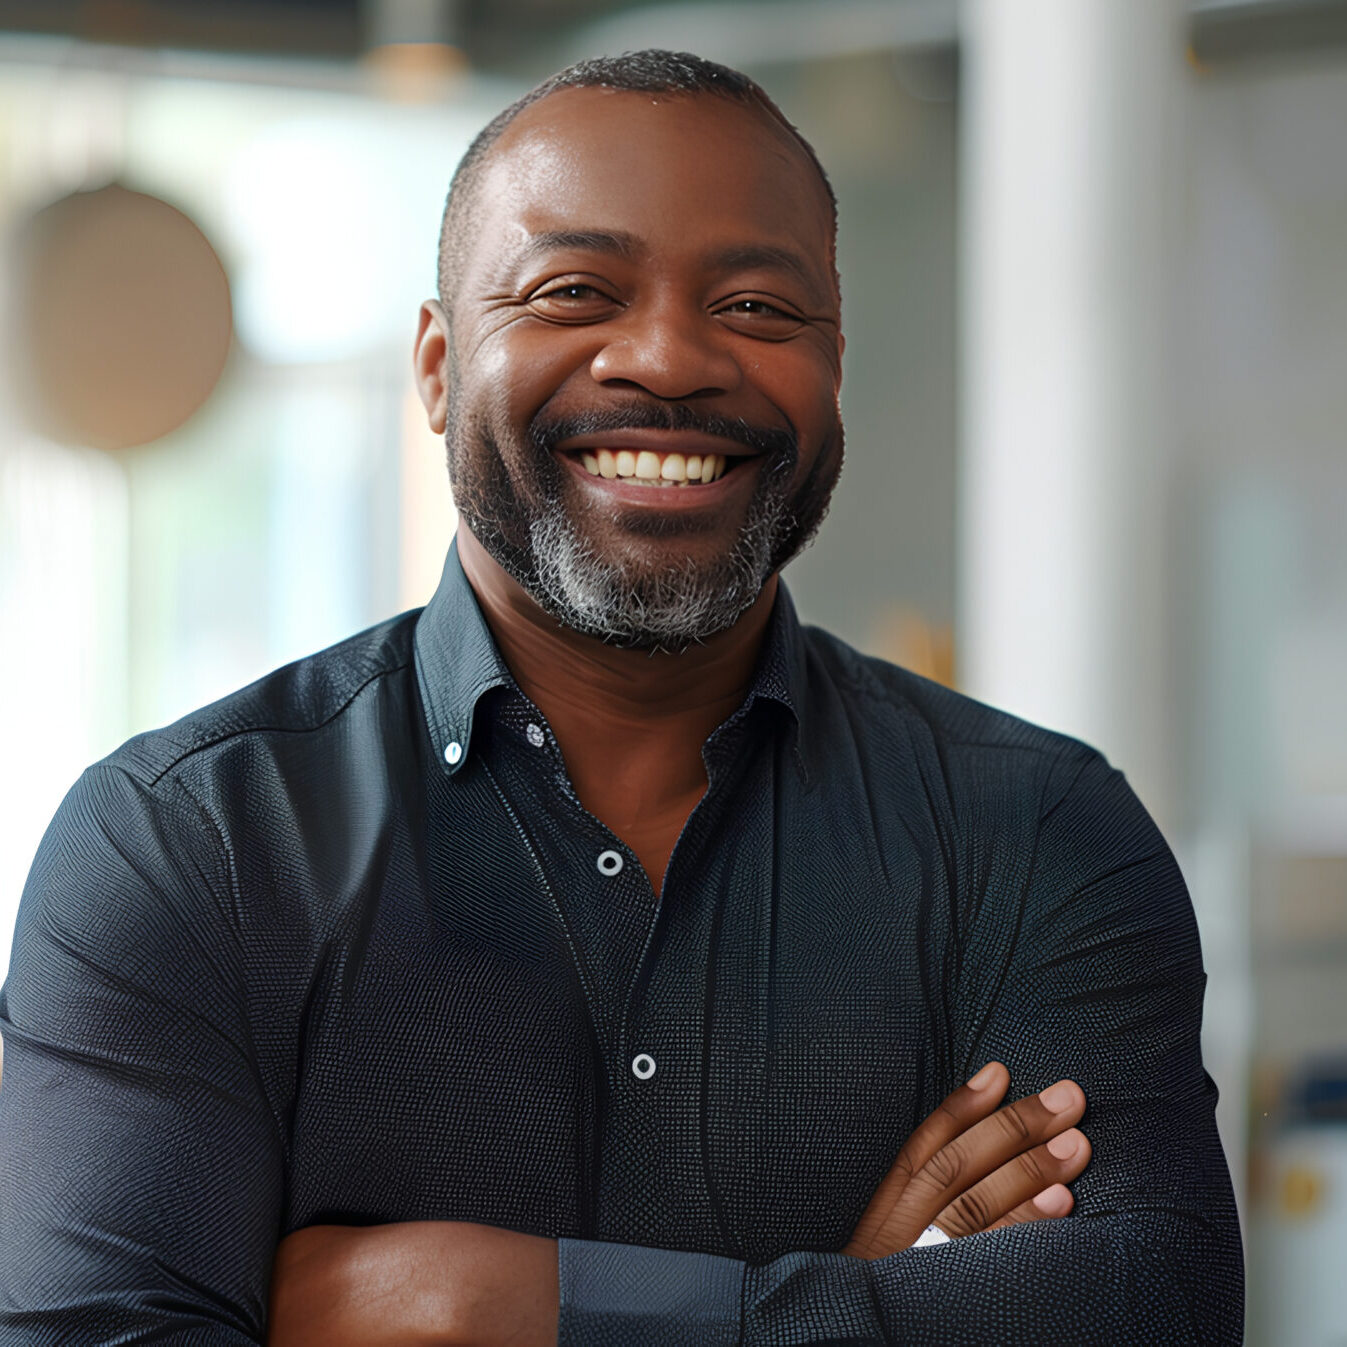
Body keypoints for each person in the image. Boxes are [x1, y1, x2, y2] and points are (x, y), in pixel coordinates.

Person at [0, 49, 1242, 1346]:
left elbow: (1147, 1308)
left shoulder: (1038, 834)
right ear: (434, 368)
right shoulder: (186, 845)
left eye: (759, 308)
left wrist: (499, 1305)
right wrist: (870, 1293)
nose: (666, 358)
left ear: (834, 367)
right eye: (574, 289)